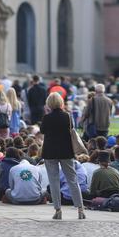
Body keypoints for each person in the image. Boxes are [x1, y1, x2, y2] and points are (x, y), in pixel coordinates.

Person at [40, 92, 85, 220]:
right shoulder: (67, 116)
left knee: (54, 181)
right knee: (72, 180)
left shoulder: (47, 118)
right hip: (66, 151)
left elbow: (42, 130)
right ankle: (80, 209)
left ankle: (58, 209)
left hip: (50, 152)